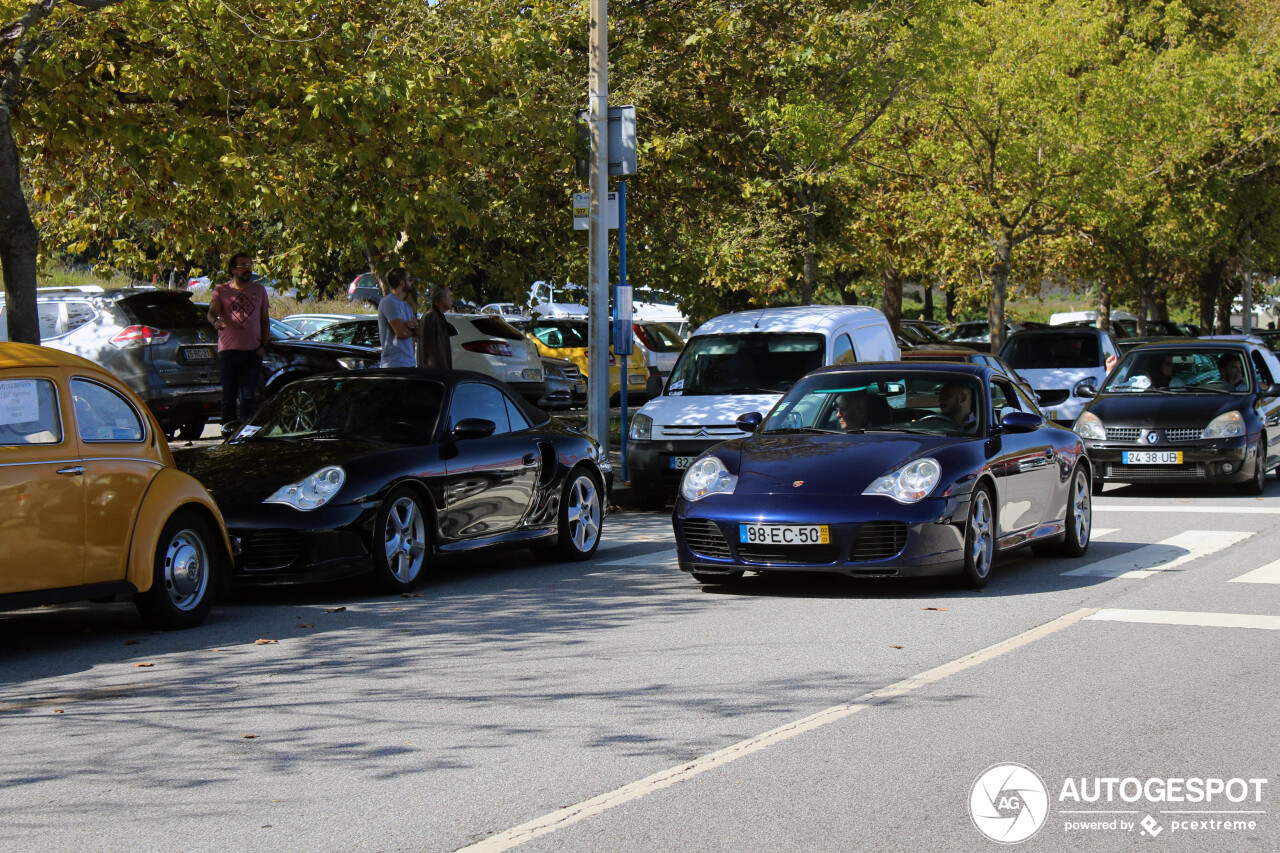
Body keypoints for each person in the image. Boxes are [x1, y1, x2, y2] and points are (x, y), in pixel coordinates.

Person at [207, 252, 270, 426]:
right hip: (229, 350)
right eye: (243, 266)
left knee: (248, 396)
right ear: (233, 270)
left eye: (249, 265)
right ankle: (228, 430)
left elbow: (265, 319)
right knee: (229, 395)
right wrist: (216, 322)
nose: (247, 269)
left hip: (252, 351)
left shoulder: (259, 290)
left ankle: (245, 433)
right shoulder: (222, 290)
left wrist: (264, 344)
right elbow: (212, 312)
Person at [377, 267, 420, 368]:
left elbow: (420, 331)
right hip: (395, 365)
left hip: (410, 363)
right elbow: (401, 333)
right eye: (409, 279)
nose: (411, 282)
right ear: (402, 283)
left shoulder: (406, 306)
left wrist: (410, 327)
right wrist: (413, 329)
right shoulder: (389, 302)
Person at [418, 283, 454, 369]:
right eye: (449, 296)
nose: (452, 299)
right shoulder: (431, 317)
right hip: (434, 375)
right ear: (443, 299)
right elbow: (428, 351)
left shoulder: (439, 317)